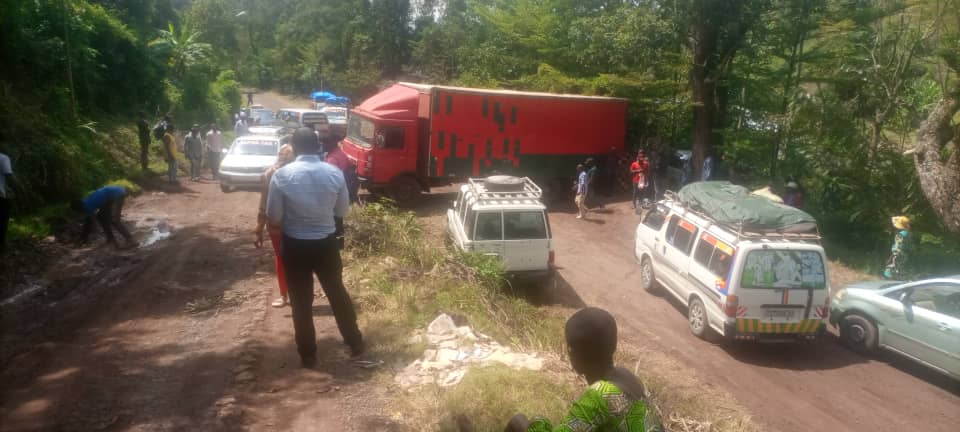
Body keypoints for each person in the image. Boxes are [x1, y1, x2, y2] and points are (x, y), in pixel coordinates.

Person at [266, 127, 364, 366]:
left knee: (300, 302)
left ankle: (308, 355)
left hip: (295, 245)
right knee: (337, 294)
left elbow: (274, 216)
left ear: (294, 147)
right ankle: (356, 343)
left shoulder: (281, 176)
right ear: (318, 147)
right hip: (326, 244)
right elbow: (341, 211)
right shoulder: (334, 174)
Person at [504, 308, 661, 432]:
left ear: (573, 354)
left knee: (519, 422)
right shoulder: (628, 377)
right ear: (613, 346)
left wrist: (539, 421)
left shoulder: (599, 395)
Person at [256, 144, 296, 308]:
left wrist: (258, 229)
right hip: (297, 225)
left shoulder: (270, 173)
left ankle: (285, 296)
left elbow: (263, 205)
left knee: (281, 259)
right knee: (298, 260)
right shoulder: (298, 173)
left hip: (276, 226)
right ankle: (298, 294)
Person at [71, 185, 135, 249]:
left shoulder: (87, 206)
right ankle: (110, 239)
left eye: (77, 212)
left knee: (114, 220)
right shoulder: (85, 202)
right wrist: (83, 238)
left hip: (117, 194)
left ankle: (131, 240)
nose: (79, 213)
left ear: (79, 208)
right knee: (101, 217)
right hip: (109, 197)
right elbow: (88, 223)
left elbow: (91, 223)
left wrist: (83, 238)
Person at [323, 137, 360, 204]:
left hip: (340, 186)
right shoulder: (340, 151)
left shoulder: (332, 159)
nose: (323, 146)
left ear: (330, 145)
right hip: (347, 181)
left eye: (324, 144)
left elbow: (330, 178)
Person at [0, 150, 13, 256]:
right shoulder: (3, 158)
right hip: (0, 196)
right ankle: (2, 248)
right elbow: (9, 176)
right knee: (3, 221)